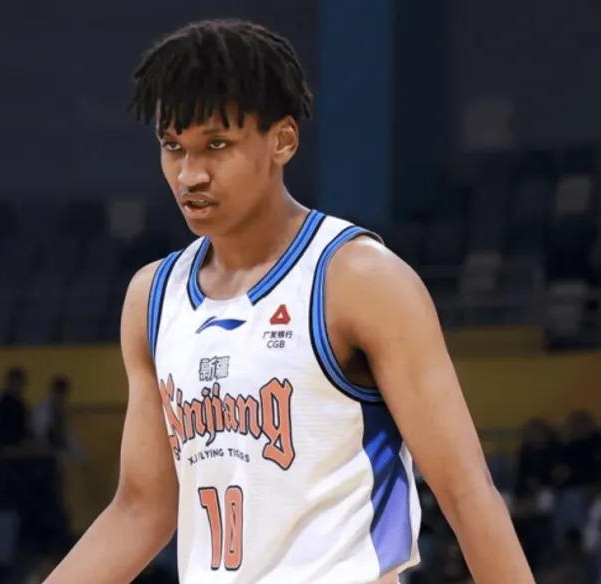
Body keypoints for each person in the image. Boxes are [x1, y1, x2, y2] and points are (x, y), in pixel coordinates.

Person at [47, 19, 532, 583]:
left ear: (282, 140)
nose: (190, 174)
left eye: (216, 145)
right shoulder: (152, 298)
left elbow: (466, 489)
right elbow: (140, 508)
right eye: (173, 147)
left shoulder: (358, 278)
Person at [33, 375, 83, 457]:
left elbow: (70, 437)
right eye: (59, 393)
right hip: (44, 452)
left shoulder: (63, 411)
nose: (61, 397)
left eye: (63, 394)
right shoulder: (41, 410)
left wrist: (81, 458)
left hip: (58, 451)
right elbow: (38, 434)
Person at [0, 366, 31, 453]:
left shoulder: (17, 404)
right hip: (7, 449)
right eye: (17, 384)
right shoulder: (4, 404)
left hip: (11, 448)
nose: (19, 387)